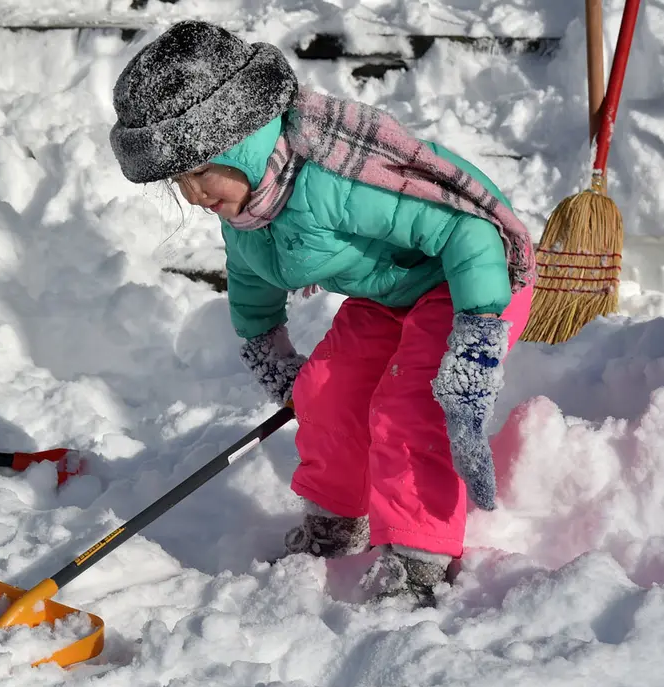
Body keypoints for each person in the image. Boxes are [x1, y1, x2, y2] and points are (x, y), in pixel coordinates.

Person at [108, 20, 536, 606]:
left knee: (407, 402)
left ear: (241, 137)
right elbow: (251, 281)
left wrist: (479, 334)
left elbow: (468, 231)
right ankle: (337, 520)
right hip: (390, 295)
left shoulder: (336, 179)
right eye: (179, 179)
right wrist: (270, 351)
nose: (191, 194)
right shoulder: (249, 207)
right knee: (325, 389)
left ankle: (420, 555)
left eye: (200, 170)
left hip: (470, 283)